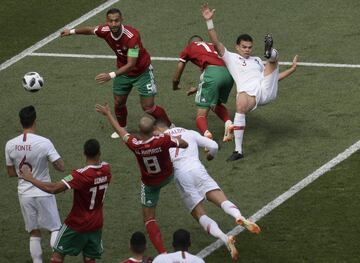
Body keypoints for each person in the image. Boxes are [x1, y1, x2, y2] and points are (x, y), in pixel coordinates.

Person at [201, 4, 297, 161]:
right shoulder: (230, 57)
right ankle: (238, 151)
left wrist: (291, 70)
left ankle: (271, 52)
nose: (247, 49)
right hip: (249, 94)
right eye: (244, 47)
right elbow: (216, 42)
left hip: (266, 89)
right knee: (240, 103)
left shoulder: (257, 60)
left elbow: (272, 77)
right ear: (237, 47)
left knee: (272, 62)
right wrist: (209, 21)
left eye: (250, 47)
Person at [155, 120, 260, 260]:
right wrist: (211, 155)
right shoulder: (189, 132)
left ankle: (224, 238)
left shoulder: (160, 140)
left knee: (199, 214)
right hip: (198, 169)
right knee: (221, 199)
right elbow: (214, 145)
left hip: (182, 175)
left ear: (158, 129)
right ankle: (239, 216)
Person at [61, 8, 172, 139]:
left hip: (142, 72)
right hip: (123, 73)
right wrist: (71, 31)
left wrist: (111, 75)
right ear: (107, 22)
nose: (114, 24)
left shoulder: (132, 37)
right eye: (111, 21)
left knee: (148, 107)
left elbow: (131, 64)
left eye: (116, 21)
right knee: (119, 102)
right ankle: (122, 127)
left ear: (121, 20)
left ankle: (170, 127)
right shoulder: (105, 30)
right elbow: (90, 30)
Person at [95, 103, 188, 254]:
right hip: (168, 176)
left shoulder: (134, 144)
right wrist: (166, 136)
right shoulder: (163, 140)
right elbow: (184, 144)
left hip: (150, 184)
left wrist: (108, 114)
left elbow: (120, 130)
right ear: (154, 129)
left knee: (149, 219)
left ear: (139, 131)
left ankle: (162, 253)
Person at [20, 139, 111, 263]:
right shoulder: (107, 169)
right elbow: (92, 181)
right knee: (90, 258)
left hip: (77, 223)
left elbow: (53, 189)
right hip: (96, 223)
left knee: (57, 256)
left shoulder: (79, 175)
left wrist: (30, 178)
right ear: (99, 153)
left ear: (84, 153)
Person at [5, 105, 64, 263]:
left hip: (24, 194)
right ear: (35, 121)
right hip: (44, 191)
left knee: (34, 232)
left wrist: (26, 175)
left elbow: (10, 173)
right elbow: (60, 166)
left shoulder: (10, 144)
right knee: (54, 228)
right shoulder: (44, 142)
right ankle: (56, 259)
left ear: (21, 122)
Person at [173, 35, 234, 142]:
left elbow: (180, 65)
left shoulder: (190, 47)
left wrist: (175, 83)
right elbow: (210, 81)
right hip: (229, 75)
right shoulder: (212, 46)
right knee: (215, 104)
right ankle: (228, 123)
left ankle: (206, 135)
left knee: (201, 115)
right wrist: (198, 88)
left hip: (212, 74)